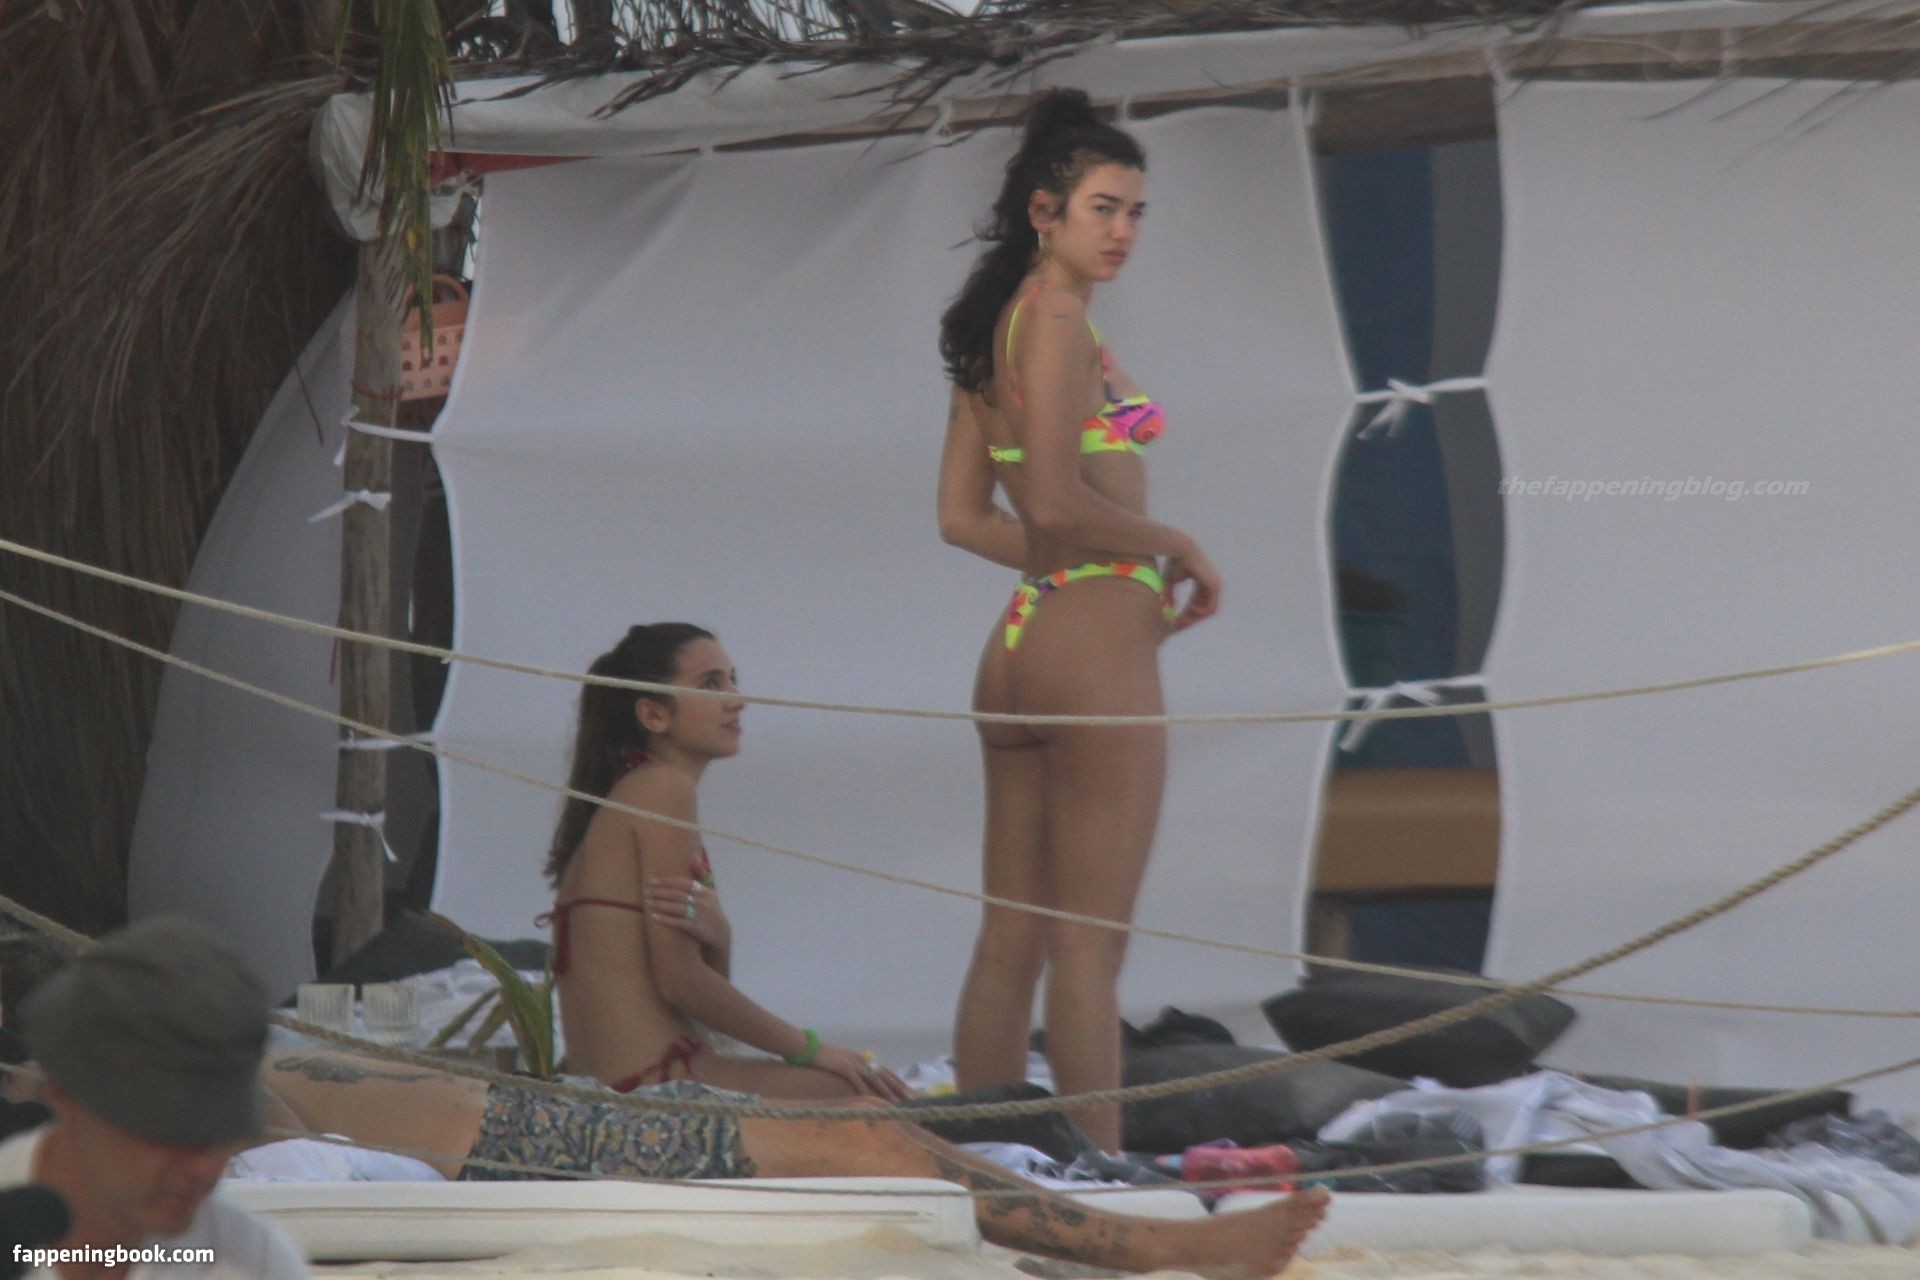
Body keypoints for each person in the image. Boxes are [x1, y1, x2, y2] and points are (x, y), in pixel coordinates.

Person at [936, 88, 1221, 1152]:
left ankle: (990, 1162)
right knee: (1090, 948)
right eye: (1105, 208)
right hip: (1091, 648)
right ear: (1044, 211)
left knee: (1009, 937)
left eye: (1137, 212)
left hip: (1020, 643)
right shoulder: (1053, 318)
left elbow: (966, 518)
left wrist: (1114, 385)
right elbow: (1055, 503)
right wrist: (1172, 544)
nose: (1124, 231)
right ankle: (1098, 1174)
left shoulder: (1005, 328)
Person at [258, 1048, 1325, 1277]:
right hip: (531, 1145)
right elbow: (190, 1227)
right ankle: (1158, 1247)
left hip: (564, 1114)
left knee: (880, 1129)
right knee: (871, 1143)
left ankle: (1145, 1227)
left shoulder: (220, 1058)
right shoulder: (200, 1096)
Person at [542, 623, 911, 1102]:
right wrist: (811, 1049)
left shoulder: (635, 792)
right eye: (712, 684)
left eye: (733, 680)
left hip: (641, 1083)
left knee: (866, 1091)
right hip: (649, 1093)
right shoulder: (661, 788)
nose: (738, 700)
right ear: (654, 714)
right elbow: (680, 982)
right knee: (860, 1090)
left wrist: (720, 938)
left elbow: (695, 1003)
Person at [0, 919, 307, 1279]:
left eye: (221, 1136)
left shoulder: (248, 1260)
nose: (205, 1168)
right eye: (168, 1132)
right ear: (65, 1099)